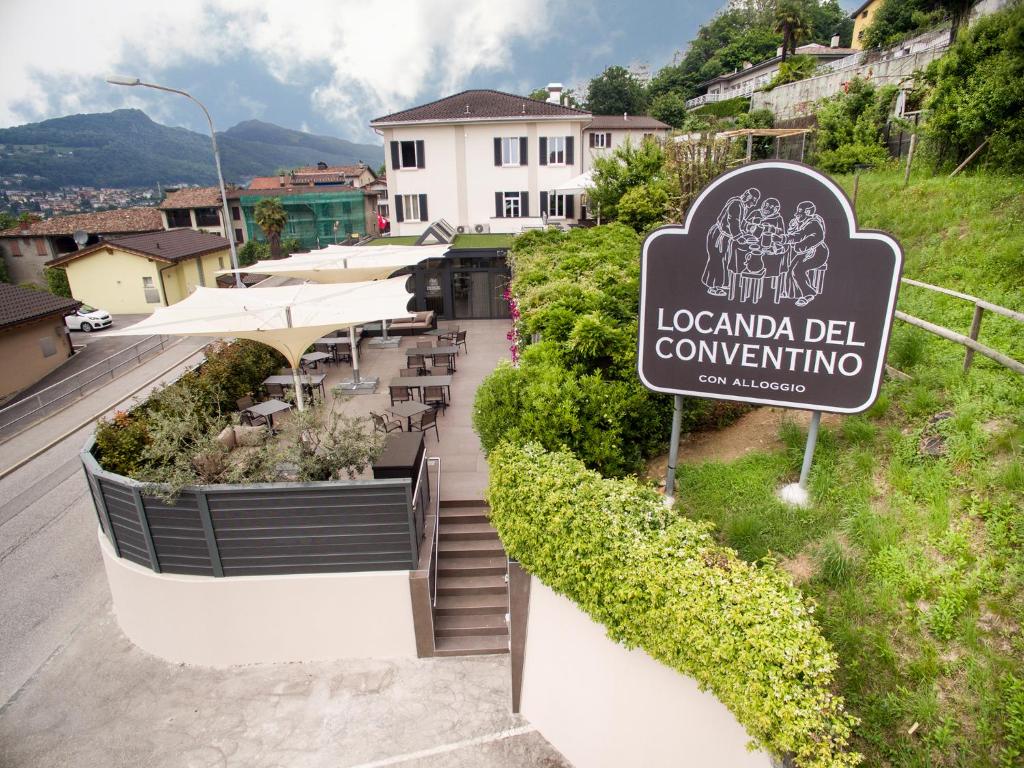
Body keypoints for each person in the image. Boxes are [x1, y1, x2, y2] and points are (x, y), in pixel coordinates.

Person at [702, 187, 760, 296]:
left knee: (722, 260)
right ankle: (713, 287)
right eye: (752, 201)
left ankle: (716, 283)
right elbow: (733, 222)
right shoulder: (736, 204)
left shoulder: (742, 206)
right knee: (716, 259)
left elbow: (740, 223)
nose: (752, 204)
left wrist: (749, 228)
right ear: (747, 195)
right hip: (719, 235)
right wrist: (740, 237)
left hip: (725, 237)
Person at [785, 201, 829, 307]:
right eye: (797, 211)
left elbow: (800, 236)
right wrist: (792, 228)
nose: (797, 214)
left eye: (800, 211)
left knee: (797, 270)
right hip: (804, 252)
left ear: (808, 212)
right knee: (790, 268)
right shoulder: (799, 221)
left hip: (818, 253)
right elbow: (794, 235)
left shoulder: (813, 223)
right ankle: (794, 294)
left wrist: (783, 238)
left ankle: (808, 294)